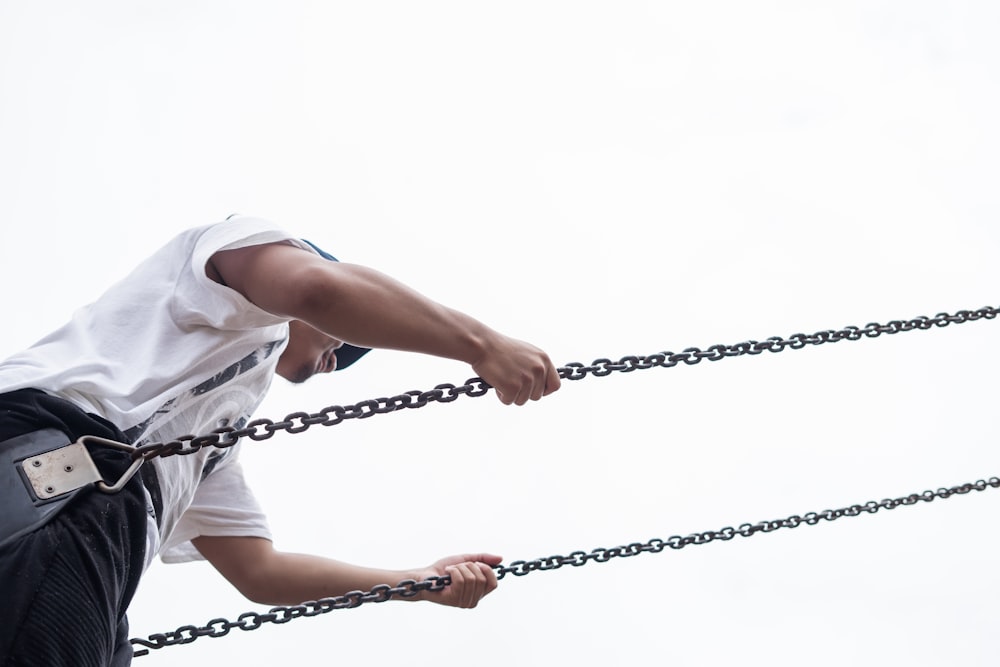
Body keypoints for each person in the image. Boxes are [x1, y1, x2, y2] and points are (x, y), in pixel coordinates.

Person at [0, 215, 561, 666]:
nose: (335, 358)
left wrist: (415, 582)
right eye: (341, 344)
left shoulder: (211, 443)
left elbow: (260, 573)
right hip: (51, 468)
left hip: (87, 524)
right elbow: (315, 288)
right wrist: (482, 345)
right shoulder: (222, 260)